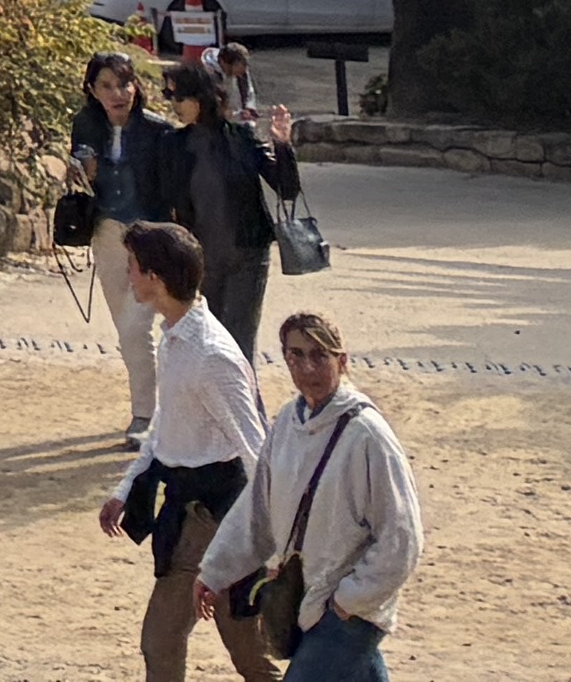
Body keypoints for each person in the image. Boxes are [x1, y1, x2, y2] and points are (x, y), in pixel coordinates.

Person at [95, 222, 276, 682]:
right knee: (239, 650)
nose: (129, 277)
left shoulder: (211, 354)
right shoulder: (175, 336)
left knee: (172, 638)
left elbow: (255, 449)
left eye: (133, 268)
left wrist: (269, 544)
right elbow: (166, 429)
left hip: (219, 513)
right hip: (189, 509)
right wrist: (125, 488)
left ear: (155, 278)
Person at [201, 308, 424, 680]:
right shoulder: (288, 421)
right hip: (310, 602)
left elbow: (403, 537)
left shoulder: (368, 436)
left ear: (342, 361)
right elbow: (257, 509)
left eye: (320, 355)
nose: (307, 368)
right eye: (296, 355)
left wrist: (350, 599)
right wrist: (214, 571)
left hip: (349, 611)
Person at [72, 51, 195, 440]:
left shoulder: (158, 131)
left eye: (124, 83)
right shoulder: (85, 126)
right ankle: (147, 410)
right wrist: (83, 175)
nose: (117, 93)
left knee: (134, 325)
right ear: (93, 90)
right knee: (126, 330)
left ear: (136, 87)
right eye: (106, 85)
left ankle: (146, 416)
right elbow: (81, 183)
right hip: (107, 232)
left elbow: (175, 186)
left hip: (149, 236)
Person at [164, 60, 308, 356]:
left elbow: (287, 188)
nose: (174, 105)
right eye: (170, 97)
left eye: (180, 97)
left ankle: (247, 403)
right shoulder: (174, 145)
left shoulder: (240, 137)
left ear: (202, 97)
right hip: (202, 260)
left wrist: (282, 145)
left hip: (247, 256)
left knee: (238, 344)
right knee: (207, 343)